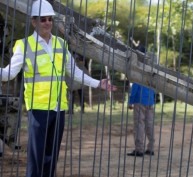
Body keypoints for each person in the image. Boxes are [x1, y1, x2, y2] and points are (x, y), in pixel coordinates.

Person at [0, 0, 116, 177]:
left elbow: (74, 72)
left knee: (50, 158)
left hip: (58, 108)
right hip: (38, 110)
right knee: (36, 159)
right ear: (34, 22)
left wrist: (98, 83)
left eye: (50, 19)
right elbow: (8, 74)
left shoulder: (61, 45)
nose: (47, 23)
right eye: (43, 19)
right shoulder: (24, 46)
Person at [127, 83, 155, 157]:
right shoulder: (151, 75)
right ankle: (151, 148)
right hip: (150, 101)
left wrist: (130, 102)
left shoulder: (138, 75)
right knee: (149, 124)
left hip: (139, 100)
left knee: (139, 124)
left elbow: (135, 88)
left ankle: (139, 149)